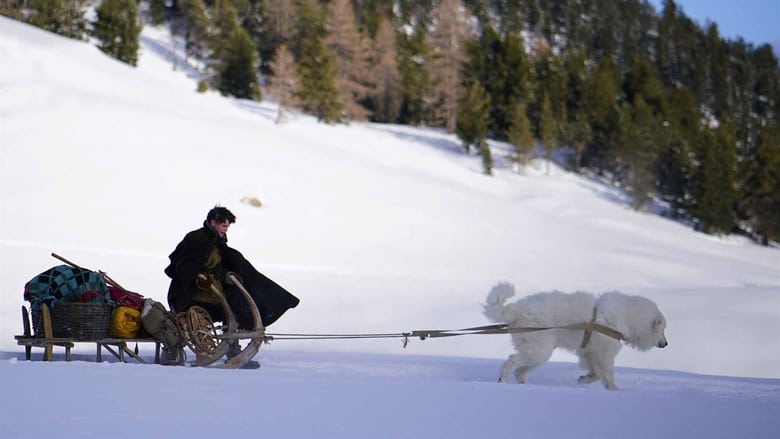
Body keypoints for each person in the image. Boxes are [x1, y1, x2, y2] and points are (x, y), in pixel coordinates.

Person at [165, 206, 300, 368]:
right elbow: (184, 266)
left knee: (235, 307)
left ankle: (233, 350)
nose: (225, 230)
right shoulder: (197, 238)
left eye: (227, 226)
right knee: (217, 313)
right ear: (213, 222)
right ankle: (206, 350)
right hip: (194, 294)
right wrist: (198, 279)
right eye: (223, 226)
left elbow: (220, 266)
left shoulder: (217, 241)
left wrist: (229, 277)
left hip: (215, 290)